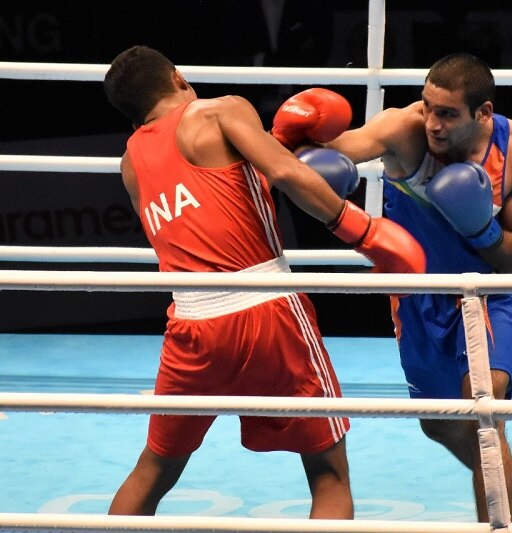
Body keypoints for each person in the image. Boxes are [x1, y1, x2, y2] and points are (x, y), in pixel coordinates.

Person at [102, 45, 426, 518]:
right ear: (177, 76)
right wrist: (364, 232)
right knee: (328, 473)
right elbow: (284, 172)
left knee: (154, 469)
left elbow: (223, 196)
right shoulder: (220, 111)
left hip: (192, 328)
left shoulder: (131, 164)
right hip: (267, 309)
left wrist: (272, 137)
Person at [271, 52, 512, 522]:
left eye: (448, 114)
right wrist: (293, 139)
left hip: (485, 294)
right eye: (428, 107)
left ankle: (497, 520)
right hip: (417, 300)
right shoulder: (403, 130)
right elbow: (337, 152)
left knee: (484, 412)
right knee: (439, 425)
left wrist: (481, 228)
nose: (433, 125)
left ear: (483, 113)